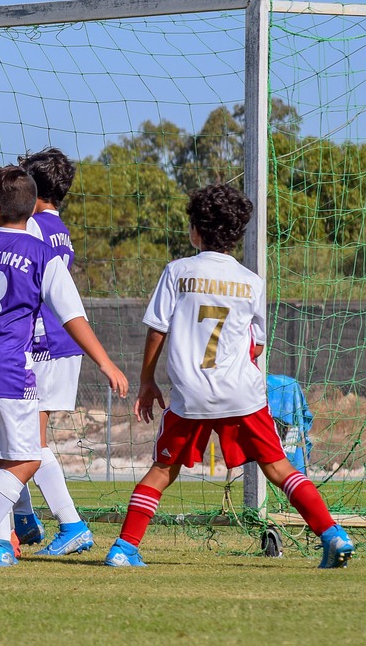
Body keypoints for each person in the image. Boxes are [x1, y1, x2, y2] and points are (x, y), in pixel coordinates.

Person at [106, 184, 355, 568]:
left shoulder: (177, 272)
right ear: (236, 234)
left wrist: (146, 381)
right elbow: (255, 346)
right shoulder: (251, 282)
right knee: (278, 468)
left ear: (195, 231)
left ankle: (124, 548)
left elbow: (158, 329)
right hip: (242, 394)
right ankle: (332, 535)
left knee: (163, 470)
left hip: (191, 395)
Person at [0, 165, 128, 566]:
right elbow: (72, 315)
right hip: (6, 369)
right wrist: (105, 362)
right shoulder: (41, 253)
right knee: (28, 459)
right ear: (30, 210)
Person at [9, 147, 95, 555]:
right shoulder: (58, 227)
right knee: (19, 436)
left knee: (29, 441)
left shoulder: (32, 228)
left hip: (45, 343)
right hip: (61, 342)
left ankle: (72, 523)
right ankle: (24, 518)